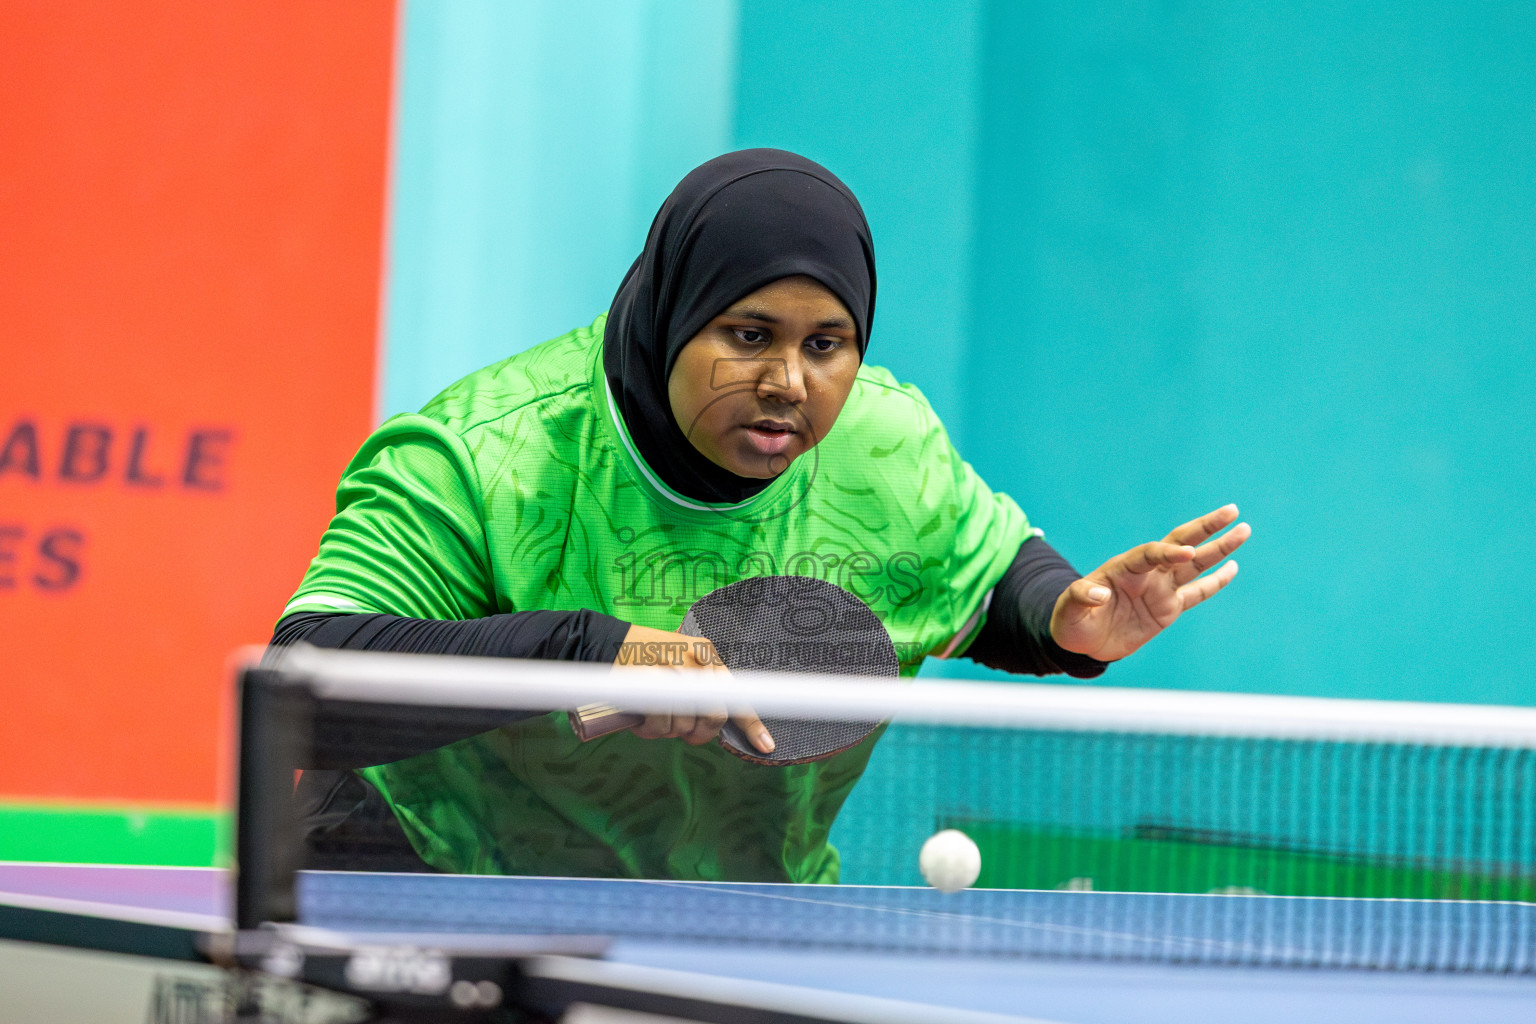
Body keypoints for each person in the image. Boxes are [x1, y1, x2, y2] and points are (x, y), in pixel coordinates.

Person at [273, 149, 1249, 880]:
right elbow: (299, 685)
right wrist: (585, 648)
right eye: (749, 336)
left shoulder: (885, 450)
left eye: (828, 343)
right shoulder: (488, 456)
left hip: (735, 905)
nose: (789, 381)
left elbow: (987, 575)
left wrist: (1064, 618)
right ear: (672, 315)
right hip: (431, 878)